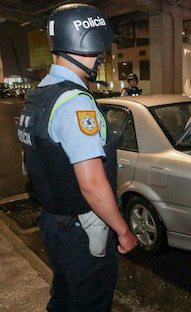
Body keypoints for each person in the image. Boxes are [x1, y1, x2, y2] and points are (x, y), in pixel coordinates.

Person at [17, 4, 137, 311]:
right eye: (99, 50)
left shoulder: (40, 95)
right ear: (87, 45)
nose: (101, 57)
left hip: (53, 221)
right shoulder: (74, 102)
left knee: (64, 295)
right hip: (82, 229)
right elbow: (92, 184)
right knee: (91, 302)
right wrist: (123, 230)